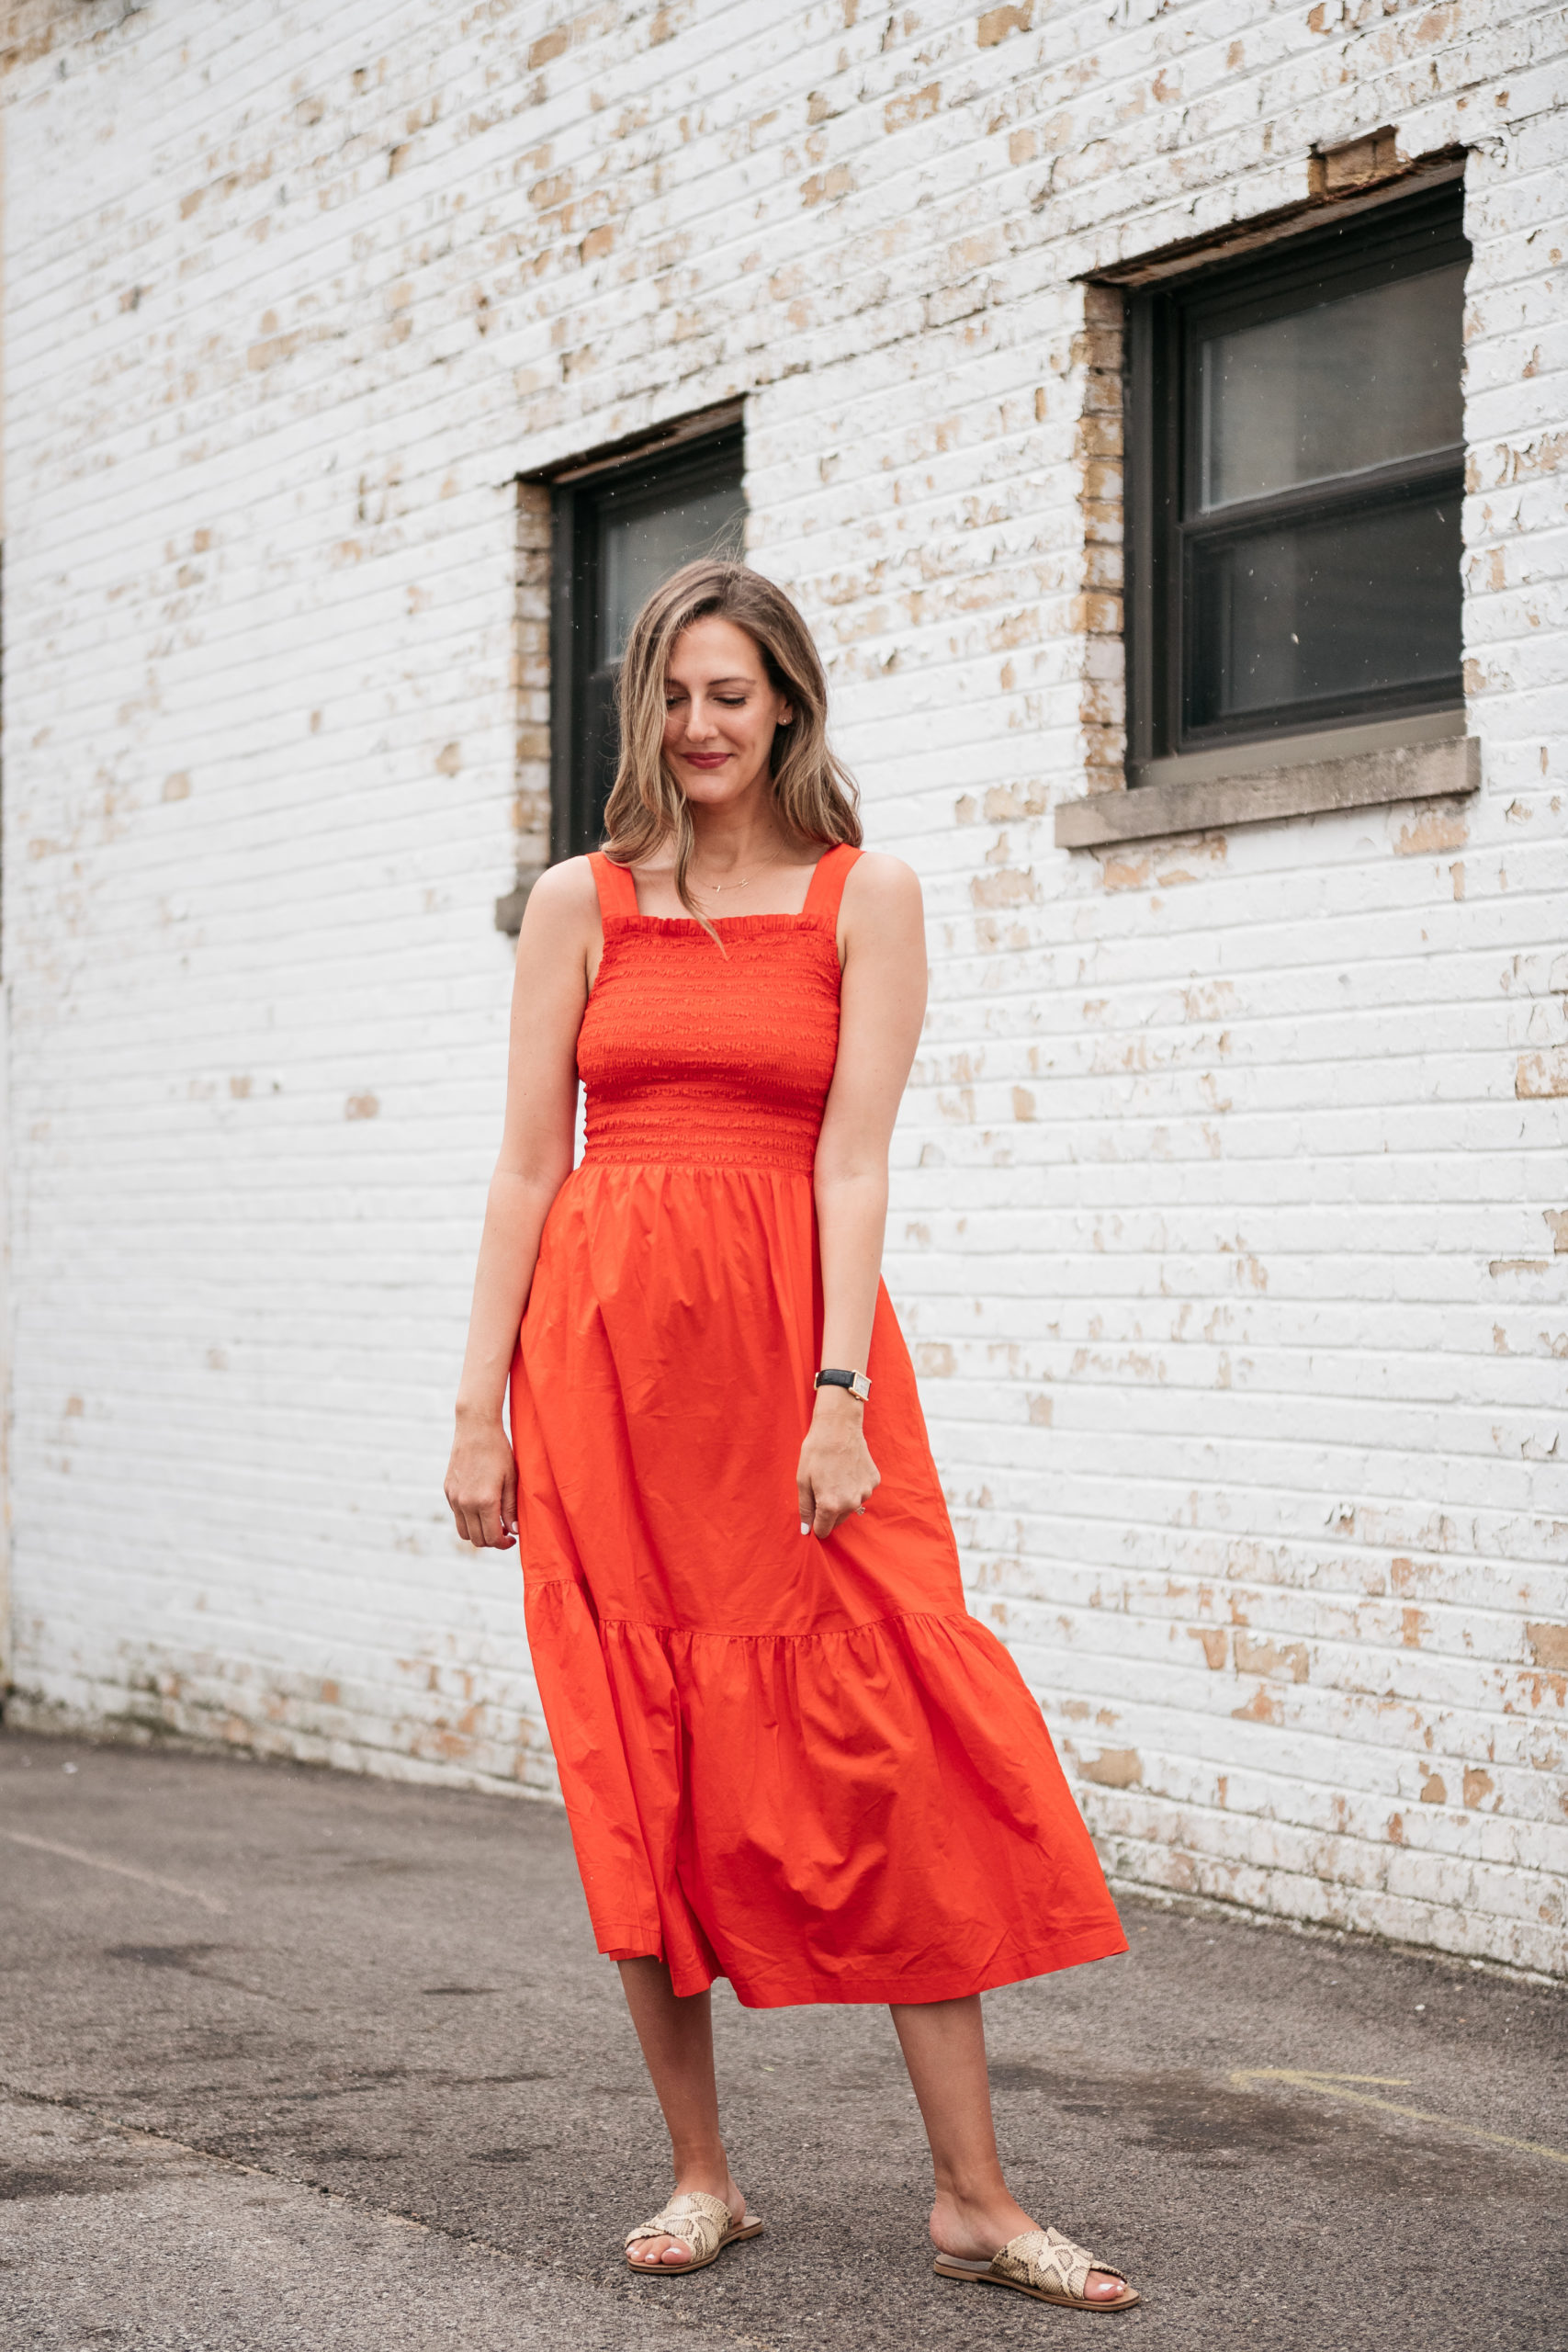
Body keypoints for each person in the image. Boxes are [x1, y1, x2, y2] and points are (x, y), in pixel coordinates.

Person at [444, 560, 1138, 2314]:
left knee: (892, 1727)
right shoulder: (577, 903)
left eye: (731, 696)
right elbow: (531, 1165)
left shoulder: (863, 894)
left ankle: (974, 2197)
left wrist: (841, 1397)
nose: (698, 728)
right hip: (602, 1379)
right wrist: (477, 1411)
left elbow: (852, 1160)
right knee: (643, 1751)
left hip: (795, 1366)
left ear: (789, 706)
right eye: (673, 696)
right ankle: (701, 2177)